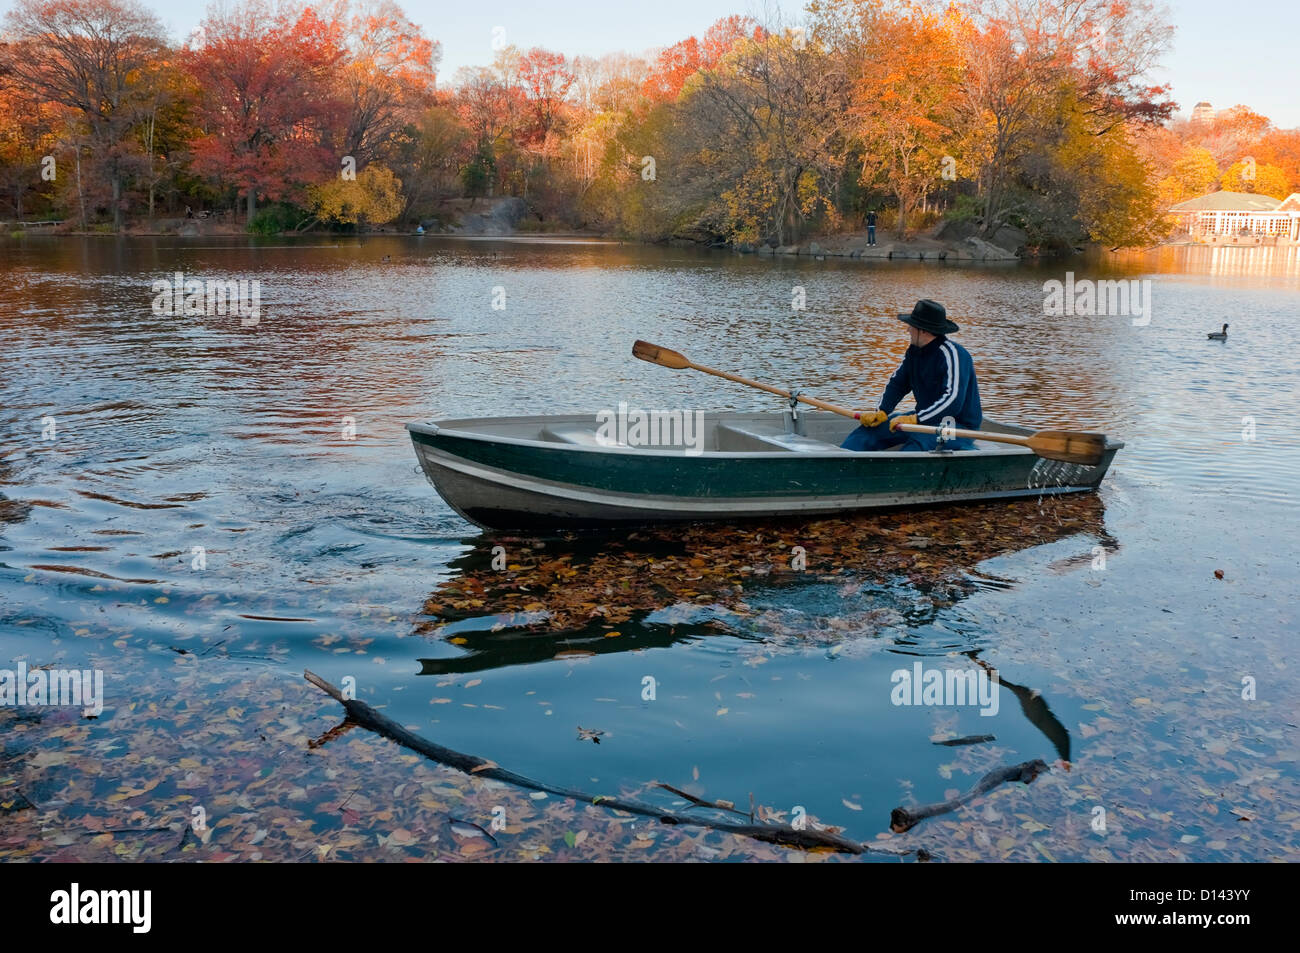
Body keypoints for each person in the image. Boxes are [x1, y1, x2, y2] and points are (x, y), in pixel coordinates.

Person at [841, 299, 982, 452]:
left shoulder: (953, 355)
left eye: (911, 326)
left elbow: (953, 401)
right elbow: (898, 384)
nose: (908, 329)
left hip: (957, 426)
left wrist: (918, 419)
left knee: (917, 444)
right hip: (925, 420)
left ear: (923, 330)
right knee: (868, 432)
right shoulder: (914, 351)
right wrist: (882, 411)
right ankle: (839, 463)